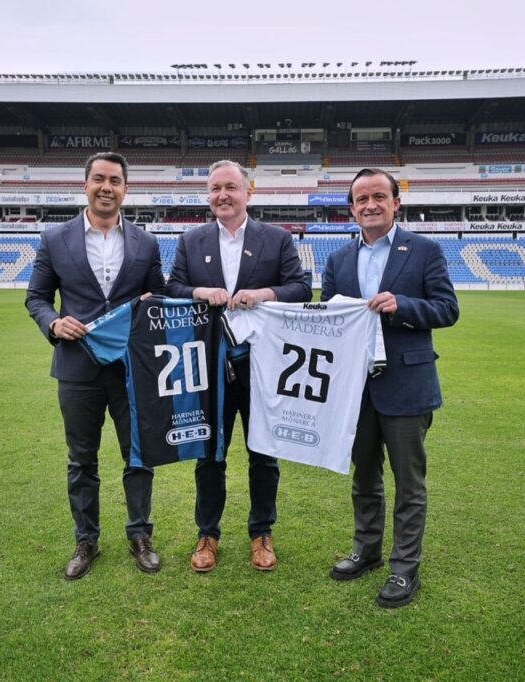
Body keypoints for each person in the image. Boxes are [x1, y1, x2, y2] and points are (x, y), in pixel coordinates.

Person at [321, 168, 459, 608]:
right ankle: (366, 550)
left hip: (407, 385)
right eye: (361, 199)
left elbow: (447, 309)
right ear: (351, 209)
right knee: (364, 477)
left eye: (379, 196)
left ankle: (404, 569)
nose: (370, 205)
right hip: (355, 389)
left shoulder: (424, 250)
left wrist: (403, 305)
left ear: (396, 202)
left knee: (409, 485)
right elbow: (327, 319)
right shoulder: (338, 260)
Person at [26, 151, 165, 580]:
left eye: (115, 181)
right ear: (85, 185)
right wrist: (54, 323)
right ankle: (86, 540)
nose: (107, 187)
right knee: (81, 459)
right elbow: (36, 298)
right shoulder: (55, 239)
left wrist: (153, 301)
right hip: (77, 367)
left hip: (131, 369)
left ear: (126, 189)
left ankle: (140, 535)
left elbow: (158, 296)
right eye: (99, 179)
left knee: (138, 455)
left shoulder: (146, 243)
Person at [167, 159, 311, 572]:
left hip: (262, 364)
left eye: (230, 187)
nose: (222, 195)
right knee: (209, 455)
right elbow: (172, 286)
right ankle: (207, 534)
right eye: (215, 189)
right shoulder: (190, 240)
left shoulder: (277, 239)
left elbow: (301, 287)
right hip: (209, 364)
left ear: (249, 191)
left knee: (263, 453)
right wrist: (199, 291)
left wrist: (264, 294)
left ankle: (261, 533)